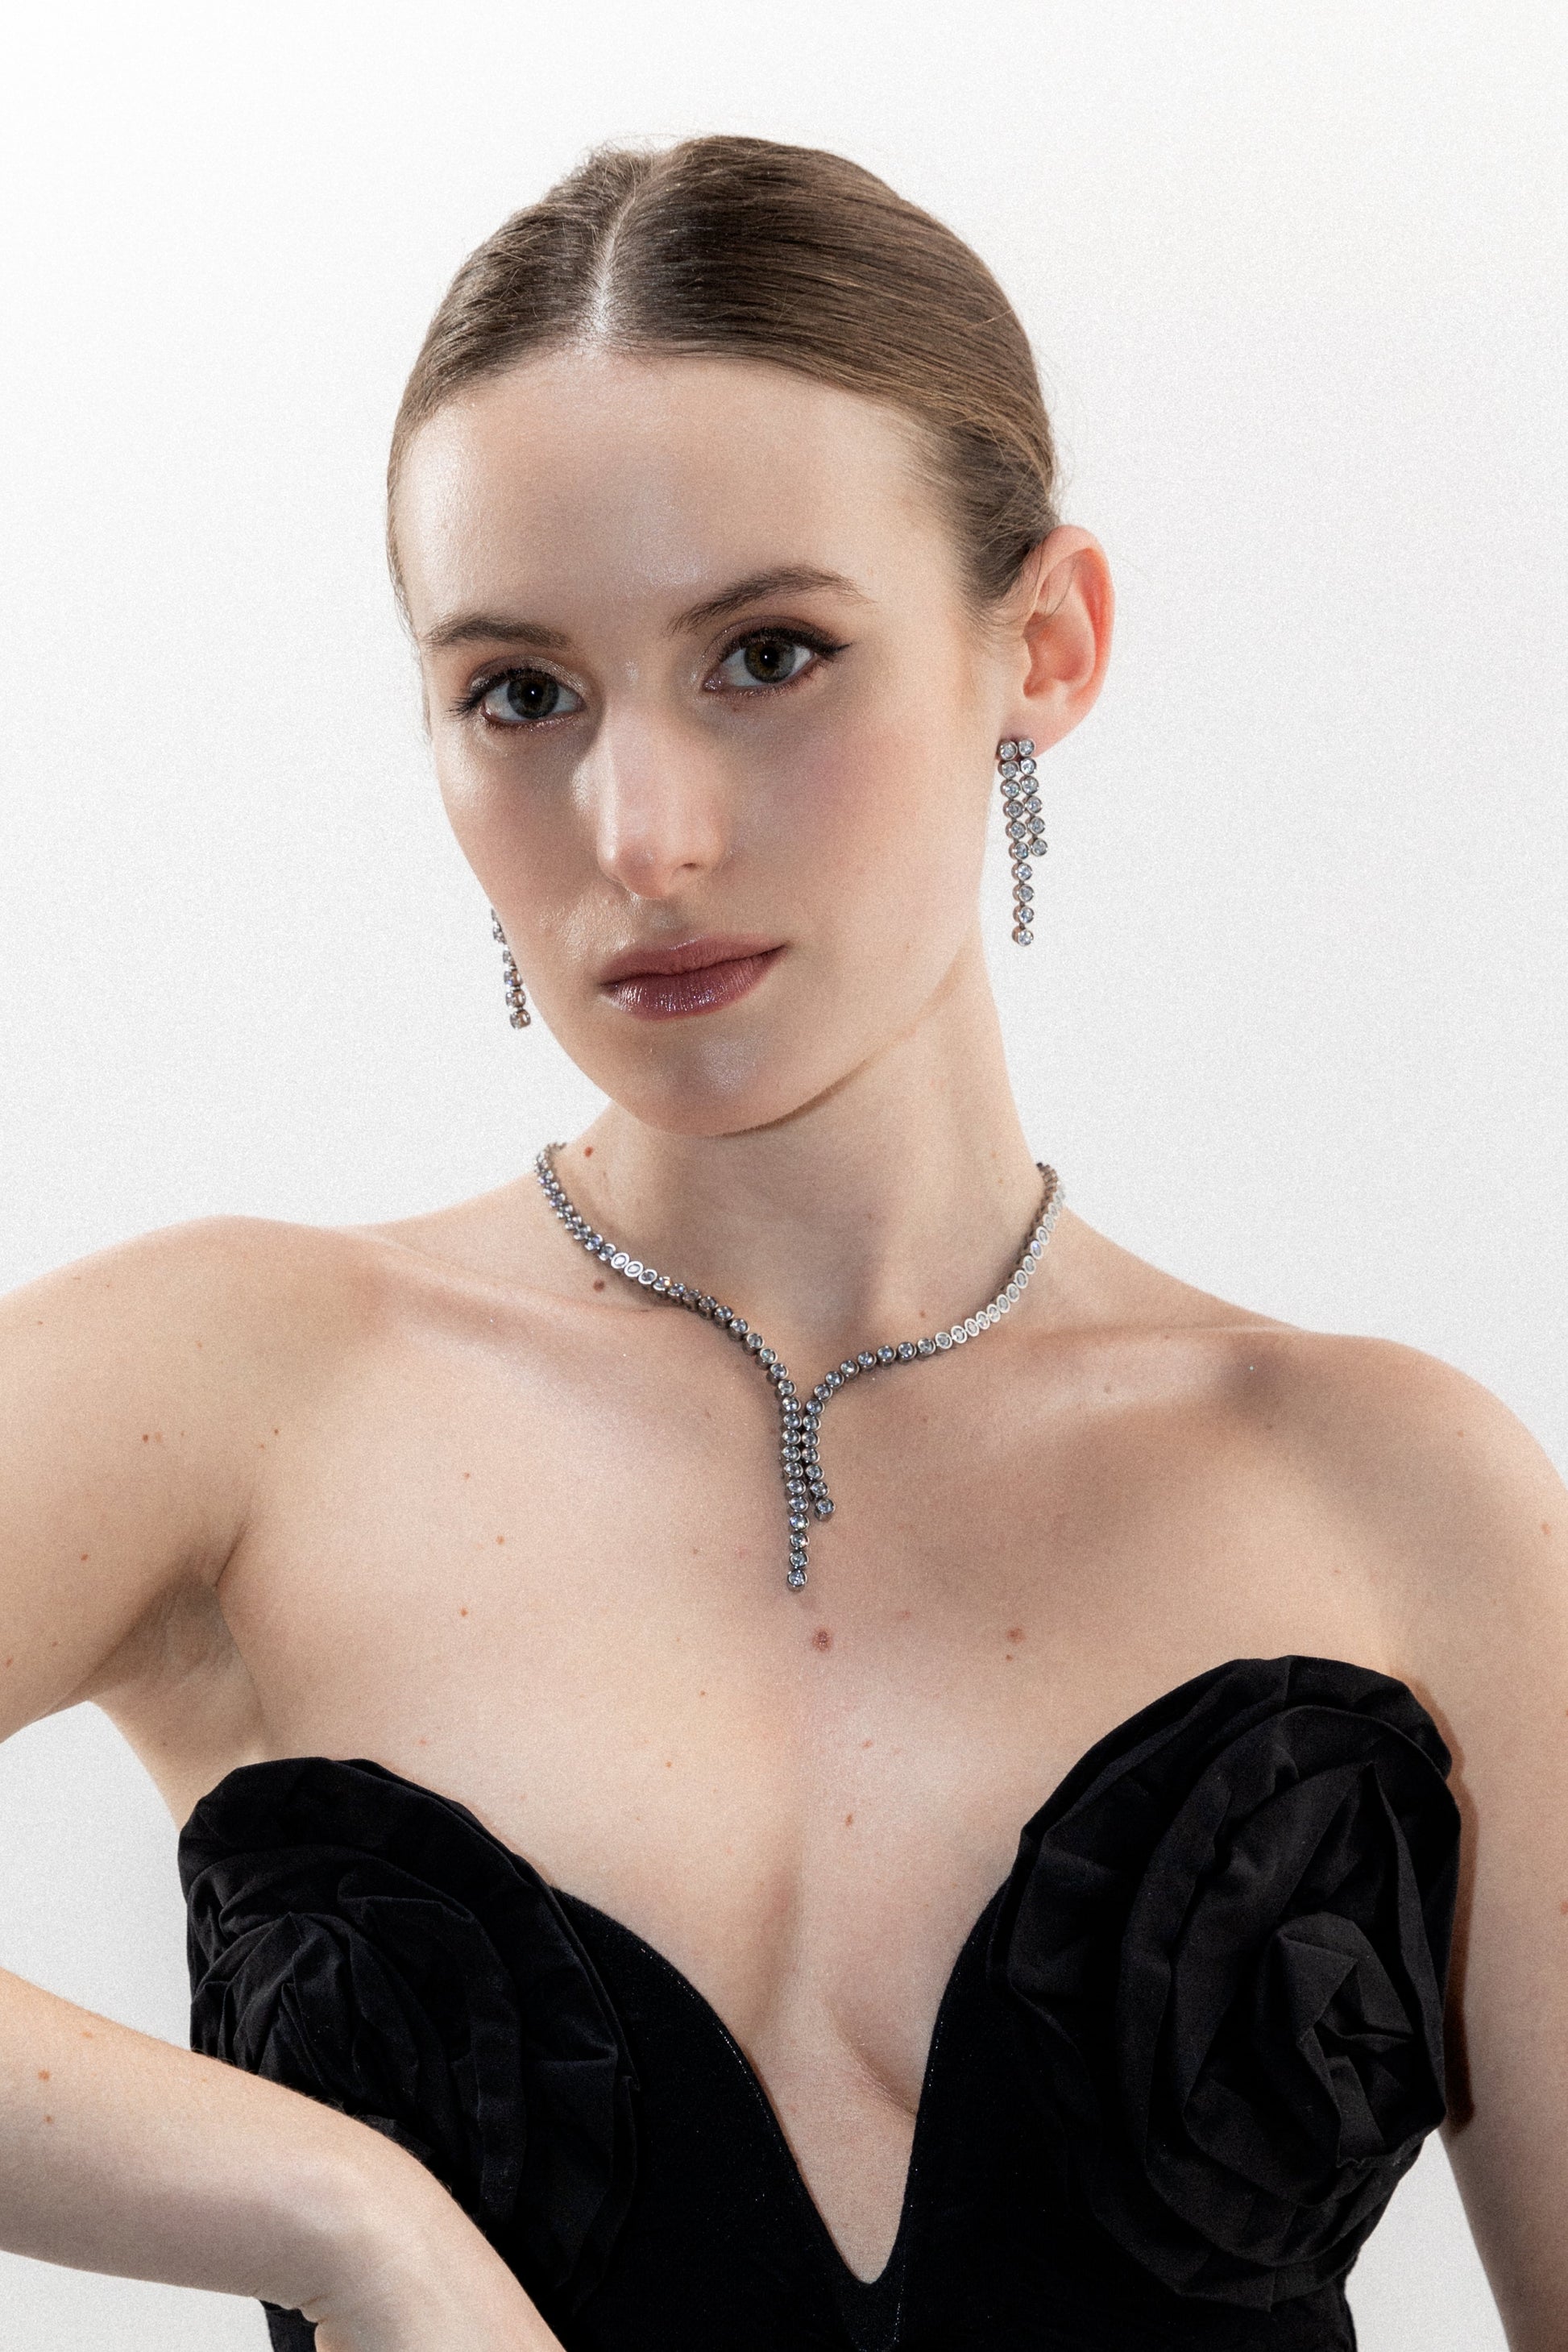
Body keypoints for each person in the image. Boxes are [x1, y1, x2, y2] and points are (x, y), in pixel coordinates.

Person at [1, 133, 1563, 2352]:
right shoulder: (244, 1386)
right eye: (521, 692)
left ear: (1045, 643)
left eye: (766, 654)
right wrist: (344, 2213)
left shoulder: (1399, 1497)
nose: (641, 833)